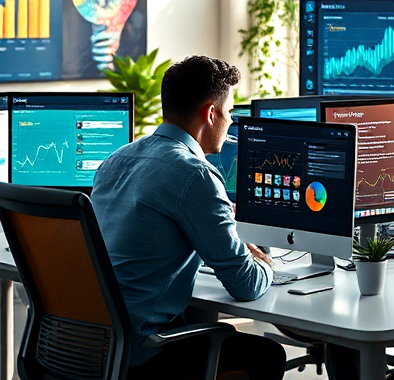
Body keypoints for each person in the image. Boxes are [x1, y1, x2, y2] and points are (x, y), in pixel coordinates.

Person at [92, 55, 286, 380]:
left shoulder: (116, 160)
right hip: (140, 355)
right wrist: (267, 263)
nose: (230, 122)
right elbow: (247, 285)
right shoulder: (194, 175)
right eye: (229, 112)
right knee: (267, 355)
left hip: (88, 345)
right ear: (211, 113)